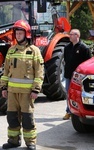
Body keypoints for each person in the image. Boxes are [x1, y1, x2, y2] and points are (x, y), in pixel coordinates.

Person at [0, 20, 44, 150]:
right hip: (12, 92)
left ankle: (30, 142)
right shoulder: (11, 51)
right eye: (17, 33)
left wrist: (36, 89)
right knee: (12, 117)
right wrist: (3, 87)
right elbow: (5, 71)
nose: (18, 35)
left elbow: (40, 72)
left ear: (27, 34)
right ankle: (13, 140)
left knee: (27, 119)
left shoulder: (34, 51)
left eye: (20, 33)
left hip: (27, 93)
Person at [63, 29, 91, 120]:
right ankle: (69, 111)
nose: (70, 36)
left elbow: (88, 62)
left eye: (72, 34)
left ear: (77, 36)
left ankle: (78, 111)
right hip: (68, 75)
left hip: (79, 77)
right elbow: (66, 60)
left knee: (78, 94)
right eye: (70, 34)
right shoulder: (67, 47)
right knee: (69, 93)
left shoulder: (84, 48)